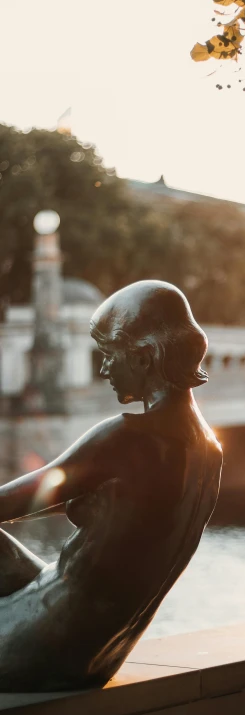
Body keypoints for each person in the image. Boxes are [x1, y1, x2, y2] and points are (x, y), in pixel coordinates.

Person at [0, 280, 222, 690]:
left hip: (42, 646)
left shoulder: (125, 437)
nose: (103, 370)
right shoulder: (209, 448)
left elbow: (12, 501)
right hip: (100, 655)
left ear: (143, 357)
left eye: (108, 355)